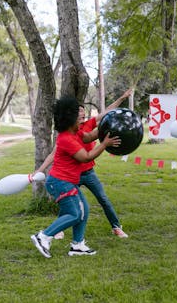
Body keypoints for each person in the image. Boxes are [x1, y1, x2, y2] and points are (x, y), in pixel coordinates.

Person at [31, 96, 121, 258]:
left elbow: (88, 137)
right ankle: (43, 236)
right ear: (69, 118)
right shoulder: (66, 139)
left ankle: (78, 245)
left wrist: (106, 130)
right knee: (74, 214)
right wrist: (105, 144)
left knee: (83, 210)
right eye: (78, 116)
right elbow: (86, 157)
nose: (82, 118)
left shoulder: (76, 132)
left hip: (67, 181)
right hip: (60, 182)